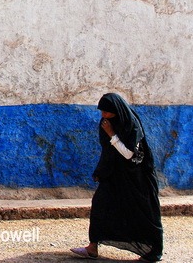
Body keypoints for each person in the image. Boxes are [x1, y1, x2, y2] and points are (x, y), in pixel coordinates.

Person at [70, 93, 163, 262]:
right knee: (100, 204)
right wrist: (100, 171)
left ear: (116, 111)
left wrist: (112, 134)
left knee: (145, 212)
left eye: (107, 112)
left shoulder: (131, 125)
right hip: (115, 175)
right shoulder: (106, 123)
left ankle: (154, 251)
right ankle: (92, 247)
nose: (103, 116)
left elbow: (129, 154)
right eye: (102, 112)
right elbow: (108, 152)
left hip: (137, 178)